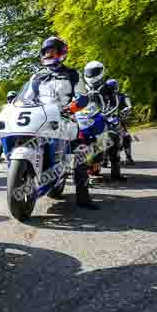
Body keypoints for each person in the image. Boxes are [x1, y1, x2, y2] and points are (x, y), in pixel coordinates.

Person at [28, 36, 98, 210]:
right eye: (46, 51)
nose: (49, 54)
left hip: (64, 117)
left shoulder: (73, 74)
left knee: (82, 150)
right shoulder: (37, 77)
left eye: (53, 50)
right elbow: (27, 98)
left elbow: (82, 97)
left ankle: (83, 197)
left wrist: (71, 108)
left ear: (62, 52)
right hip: (40, 119)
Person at [96, 78, 127, 181]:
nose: (112, 89)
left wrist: (122, 112)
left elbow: (118, 107)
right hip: (97, 119)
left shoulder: (117, 96)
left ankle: (116, 173)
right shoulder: (95, 93)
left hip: (111, 119)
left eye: (113, 87)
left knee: (115, 139)